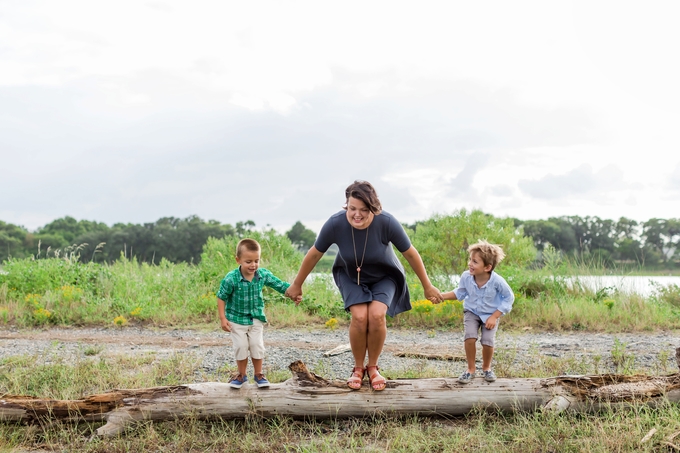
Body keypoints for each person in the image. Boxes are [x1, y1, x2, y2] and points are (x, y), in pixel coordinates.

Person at [285, 180, 442, 391]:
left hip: (385, 275)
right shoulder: (335, 223)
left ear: (373, 209)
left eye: (363, 210)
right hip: (351, 274)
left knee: (376, 315)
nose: (356, 214)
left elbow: (410, 253)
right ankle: (358, 368)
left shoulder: (386, 222)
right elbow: (314, 253)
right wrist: (297, 284)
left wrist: (428, 286)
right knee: (359, 317)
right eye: (352, 208)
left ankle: (373, 367)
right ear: (346, 206)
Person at [216, 238, 297, 389]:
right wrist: (223, 318)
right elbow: (221, 297)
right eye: (248, 261)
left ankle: (259, 374)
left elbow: (280, 285)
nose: (253, 265)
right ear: (238, 260)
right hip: (236, 319)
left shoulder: (262, 275)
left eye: (256, 260)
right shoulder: (231, 278)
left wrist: (294, 293)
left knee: (256, 345)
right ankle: (241, 375)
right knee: (240, 346)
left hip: (256, 318)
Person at [436, 240, 514, 384]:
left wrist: (495, 316)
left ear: (487, 267)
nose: (470, 264)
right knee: (470, 337)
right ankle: (470, 370)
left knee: (487, 341)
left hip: (490, 314)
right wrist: (441, 296)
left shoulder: (497, 281)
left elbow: (509, 298)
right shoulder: (466, 276)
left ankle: (487, 368)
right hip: (472, 311)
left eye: (475, 262)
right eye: (470, 260)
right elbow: (460, 293)